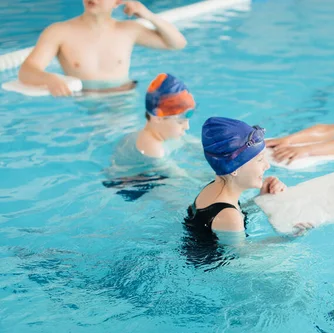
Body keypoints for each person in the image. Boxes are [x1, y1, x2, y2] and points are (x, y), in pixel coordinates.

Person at [184, 117, 311, 245]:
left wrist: (261, 199)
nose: (267, 165)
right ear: (234, 167)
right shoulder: (230, 217)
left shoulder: (214, 189)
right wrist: (288, 237)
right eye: (260, 160)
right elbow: (241, 258)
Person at [18, 0, 187, 96]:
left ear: (117, 2)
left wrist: (147, 14)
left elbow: (177, 43)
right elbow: (27, 70)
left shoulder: (128, 30)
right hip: (84, 104)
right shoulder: (59, 32)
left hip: (123, 100)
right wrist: (50, 79)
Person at [104, 72, 196, 201]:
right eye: (181, 122)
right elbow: (179, 176)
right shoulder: (152, 147)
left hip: (146, 173)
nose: (187, 127)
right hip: (129, 185)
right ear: (157, 118)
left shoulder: (164, 132)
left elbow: (191, 143)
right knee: (177, 199)